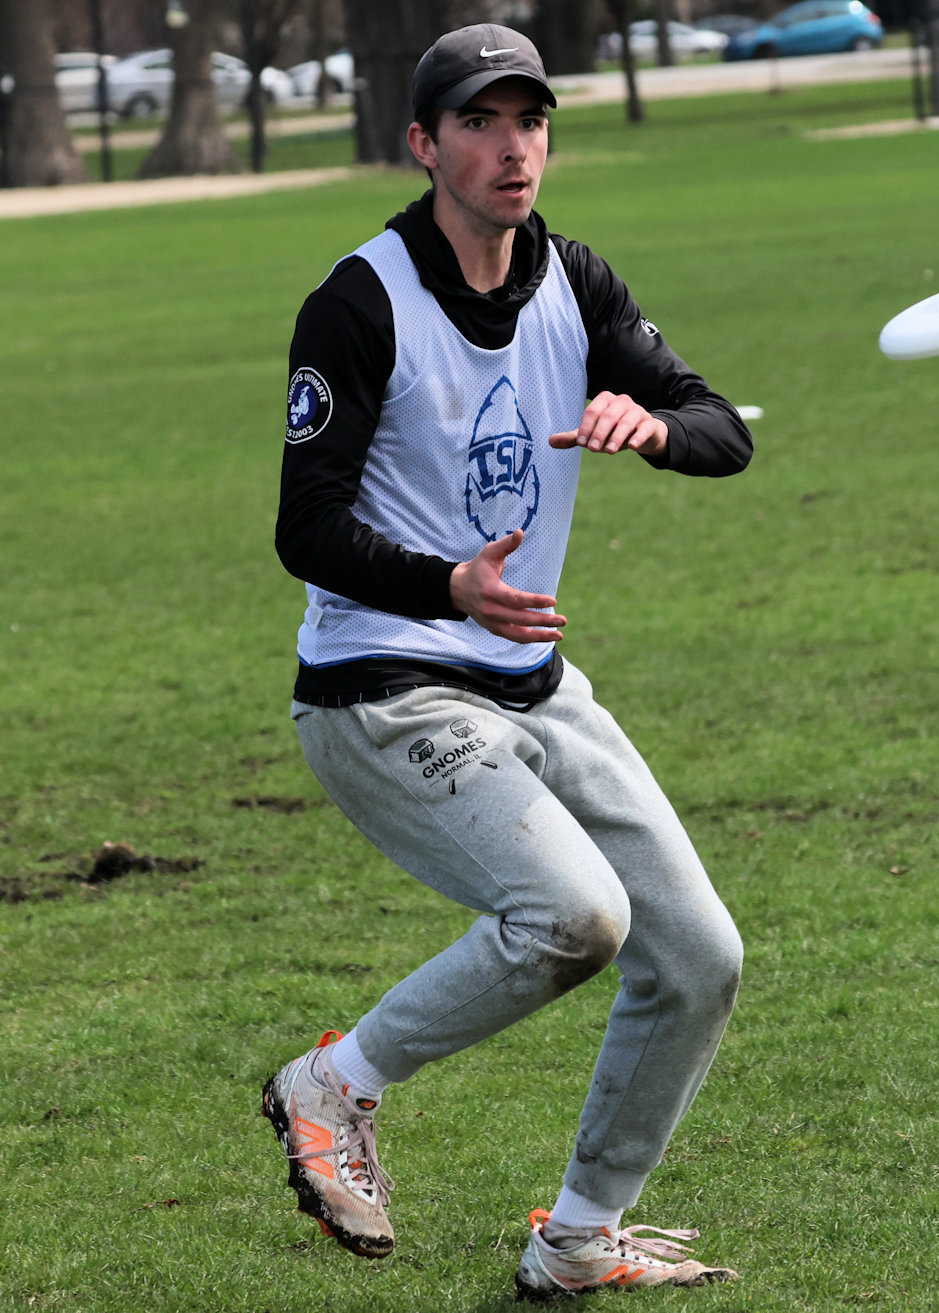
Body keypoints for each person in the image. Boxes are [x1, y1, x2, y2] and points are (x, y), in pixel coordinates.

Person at [260, 24, 751, 1298]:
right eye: (479, 122)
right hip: (381, 686)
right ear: (423, 146)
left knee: (699, 956)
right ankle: (333, 1083)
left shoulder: (573, 280)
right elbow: (304, 526)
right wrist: (448, 585)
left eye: (529, 119)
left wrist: (655, 425)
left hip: (530, 683)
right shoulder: (360, 301)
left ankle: (579, 1236)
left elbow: (721, 426)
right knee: (576, 915)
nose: (512, 146)